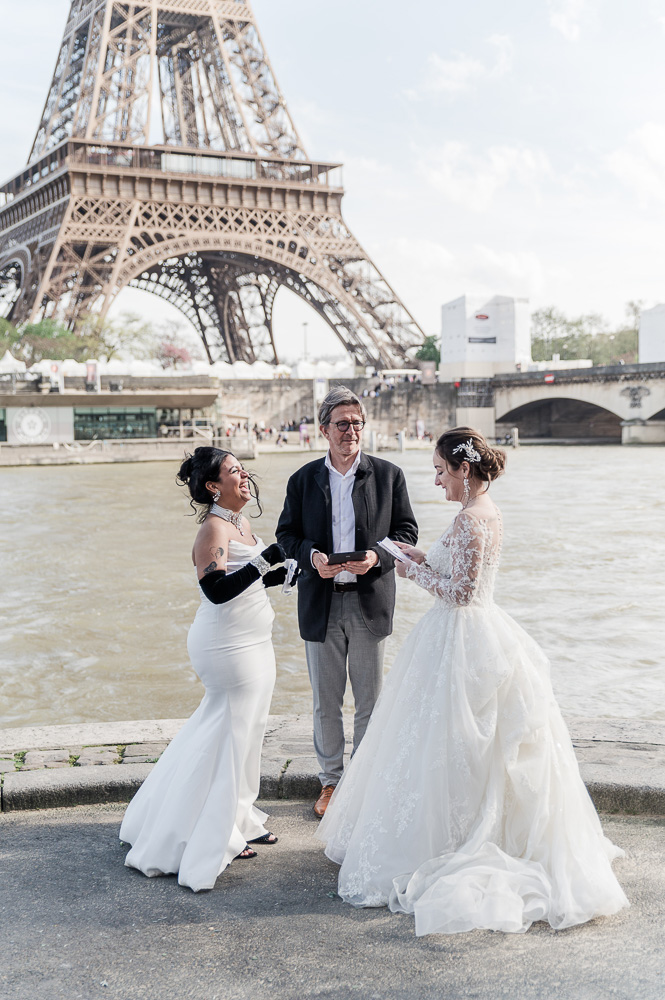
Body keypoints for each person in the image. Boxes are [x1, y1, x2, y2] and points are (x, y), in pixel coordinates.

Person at [317, 427, 628, 935]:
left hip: (460, 635)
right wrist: (417, 554)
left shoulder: (469, 521)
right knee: (466, 745)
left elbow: (459, 593)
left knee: (443, 739)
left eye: (441, 471)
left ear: (464, 470)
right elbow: (459, 571)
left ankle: (445, 839)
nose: (437, 481)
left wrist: (406, 570)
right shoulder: (485, 512)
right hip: (478, 633)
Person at [120, 447, 286, 892]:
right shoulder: (212, 529)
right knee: (229, 731)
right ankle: (211, 831)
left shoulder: (239, 523)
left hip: (254, 640)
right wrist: (265, 560)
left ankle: (239, 814)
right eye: (234, 471)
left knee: (247, 731)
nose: (244, 476)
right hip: (226, 645)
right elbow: (216, 589)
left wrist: (288, 570)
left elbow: (252, 577)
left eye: (243, 469)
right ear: (214, 486)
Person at [276, 385, 418, 818]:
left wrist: (377, 557)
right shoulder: (302, 480)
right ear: (324, 429)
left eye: (357, 423)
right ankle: (331, 783)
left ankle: (367, 781)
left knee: (370, 701)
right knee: (326, 700)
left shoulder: (389, 475)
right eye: (342, 424)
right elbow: (286, 535)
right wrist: (312, 557)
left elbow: (407, 533)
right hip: (321, 601)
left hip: (369, 600)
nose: (351, 431)